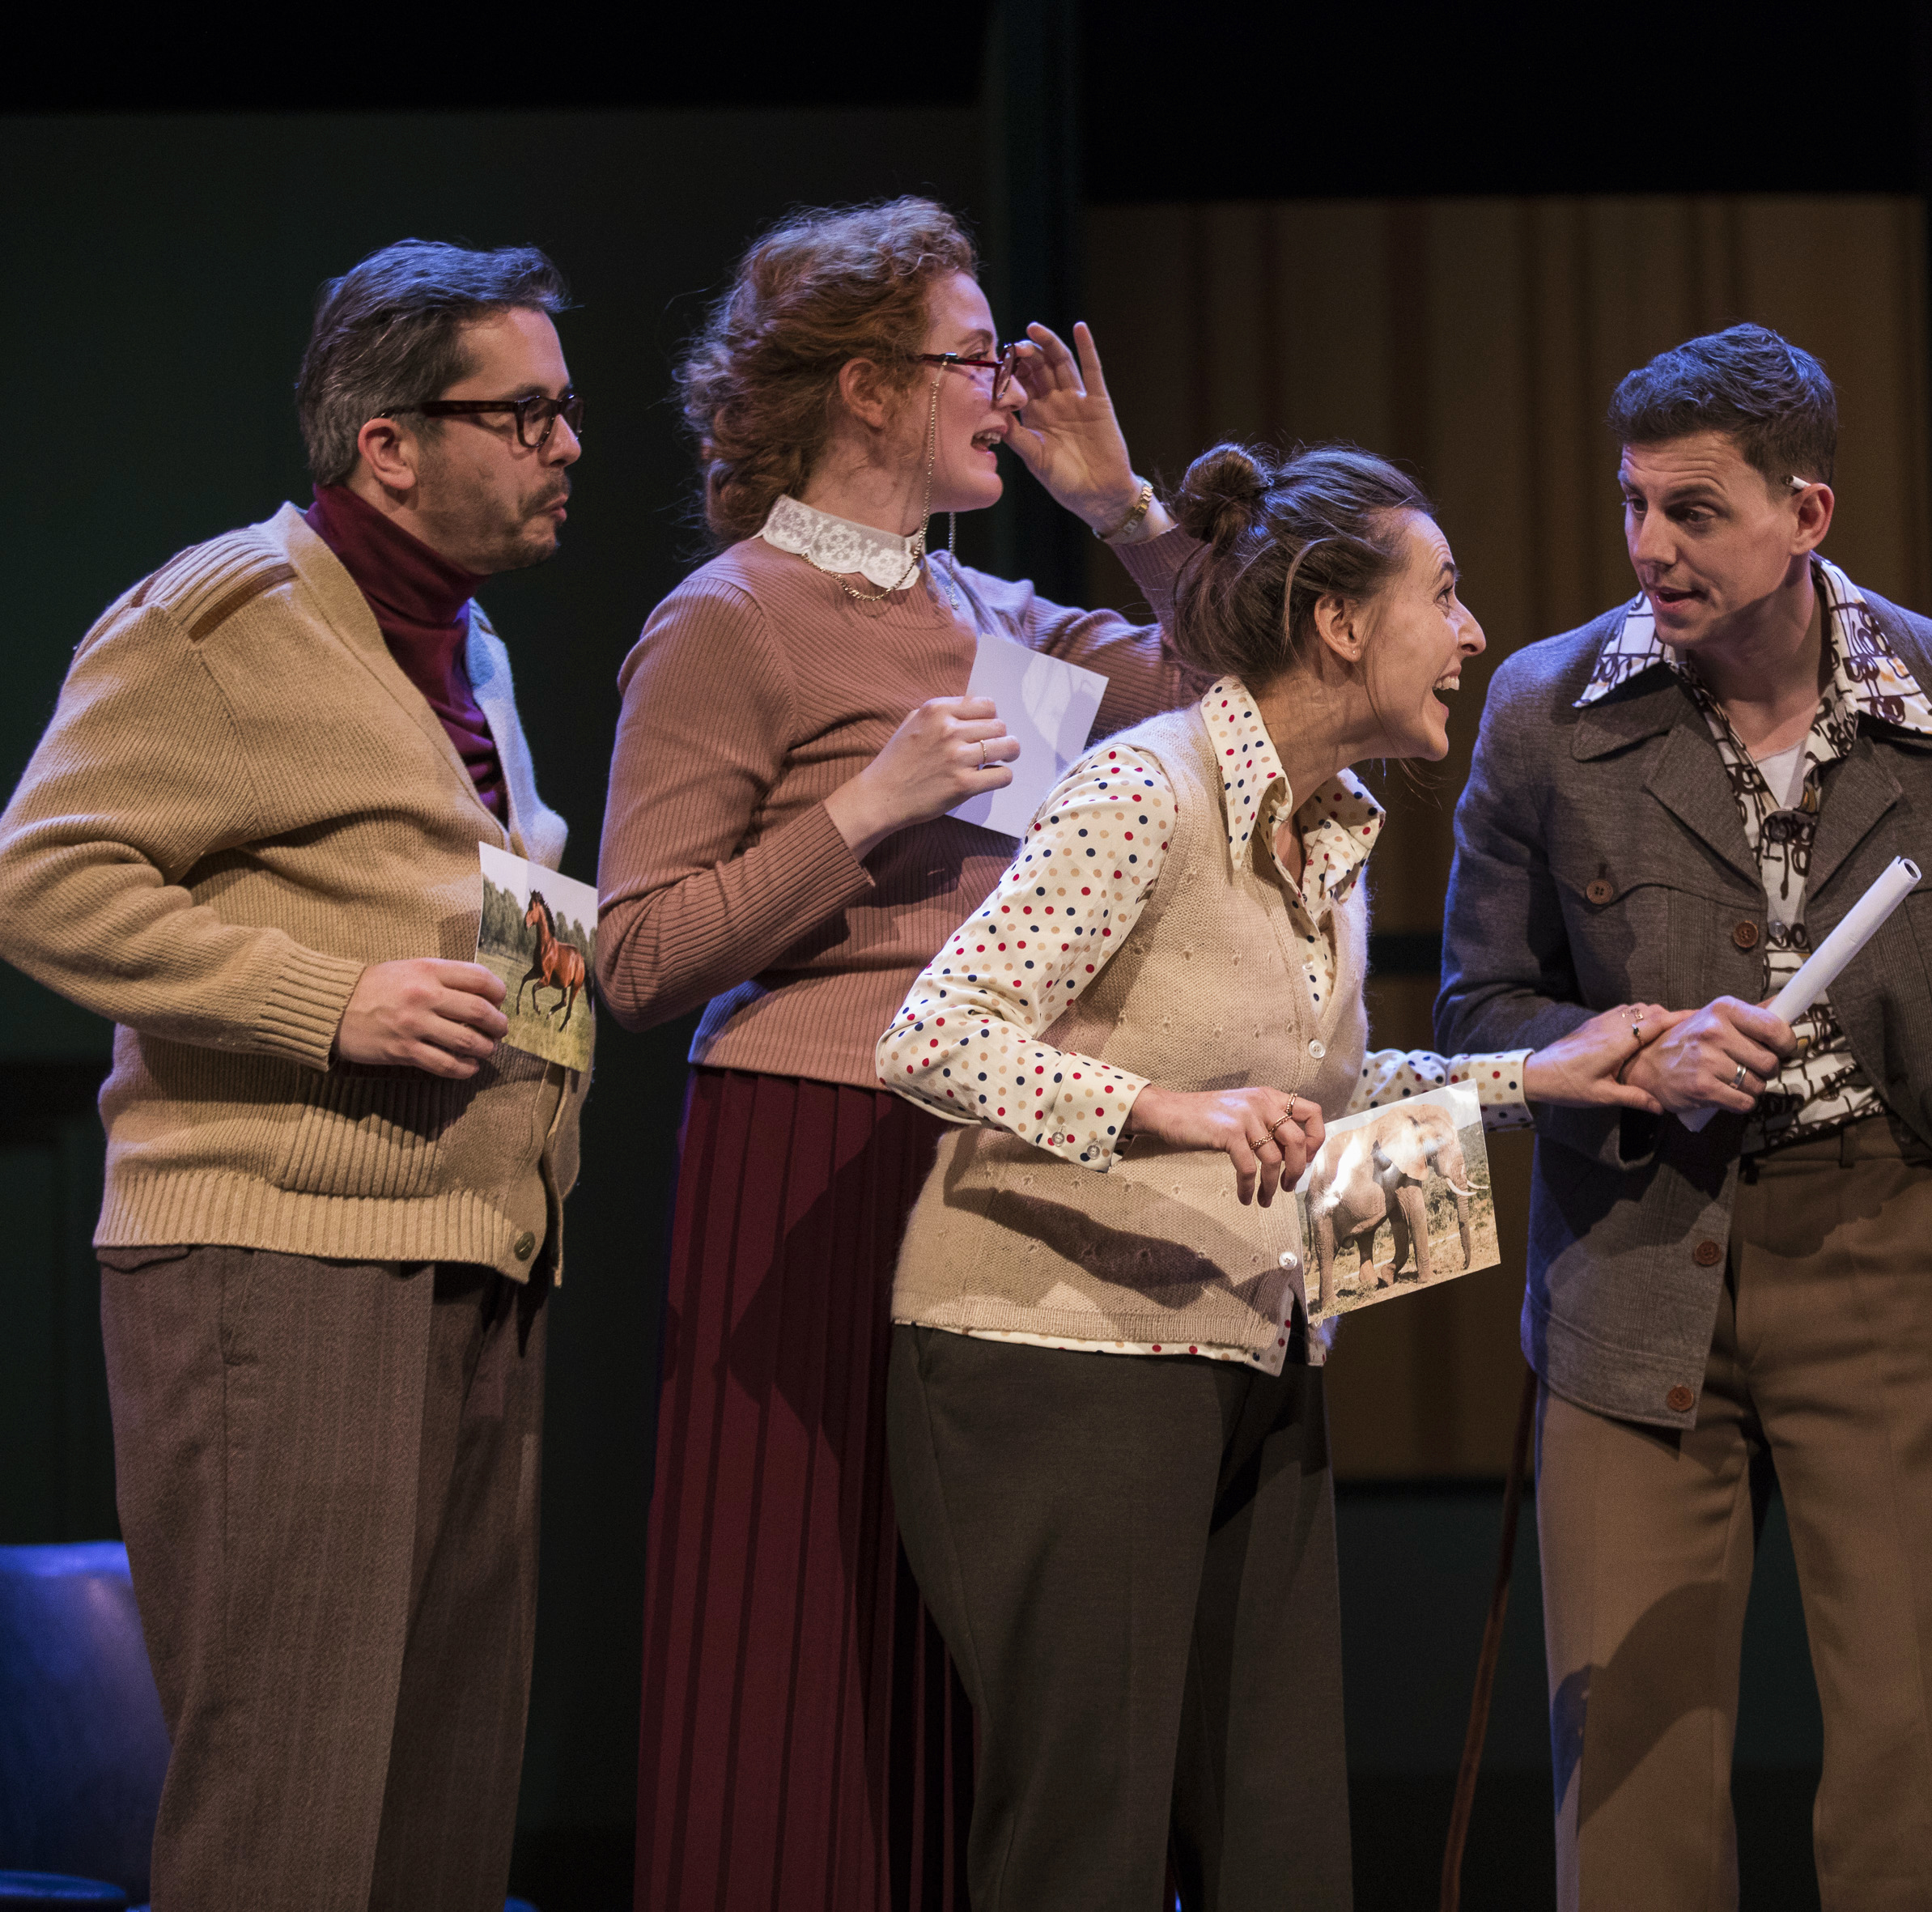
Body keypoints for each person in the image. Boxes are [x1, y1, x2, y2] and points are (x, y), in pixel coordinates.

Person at [874, 441, 1663, 1910]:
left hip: (1254, 1344)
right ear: (1339, 621)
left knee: (1278, 1836)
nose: (1475, 633)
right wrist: (1170, 1110)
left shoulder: (1333, 836)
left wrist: (1535, 1077)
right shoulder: (1147, 787)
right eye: (1446, 593)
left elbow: (1314, 1101)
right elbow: (932, 1035)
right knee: (1088, 1841)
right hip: (1064, 1353)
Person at [1436, 325, 1932, 1910]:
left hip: (1892, 1242)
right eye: (1631, 504)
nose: (1647, 547)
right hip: (1633, 1255)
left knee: (1920, 1771)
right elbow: (1480, 1009)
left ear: (1805, 512)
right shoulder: (1548, 713)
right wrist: (1632, 1054)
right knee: (1631, 1781)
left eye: (1691, 510)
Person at [592, 197, 1201, 1911]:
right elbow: (636, 957)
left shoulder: (994, 611)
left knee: (970, 1627)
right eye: (970, 363)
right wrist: (866, 808)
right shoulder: (730, 617)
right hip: (806, 1152)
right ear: (864, 388)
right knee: (804, 1612)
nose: (1004, 395)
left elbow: (1236, 693)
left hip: (986, 1146)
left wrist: (1123, 508)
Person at [0, 240, 585, 1910]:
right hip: (279, 1254)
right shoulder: (220, 619)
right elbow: (40, 873)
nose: (566, 445)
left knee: (442, 1796)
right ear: (386, 442)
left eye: (565, 407)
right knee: (292, 1797)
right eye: (522, 412)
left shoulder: (467, 651)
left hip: (474, 1244)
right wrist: (325, 997)